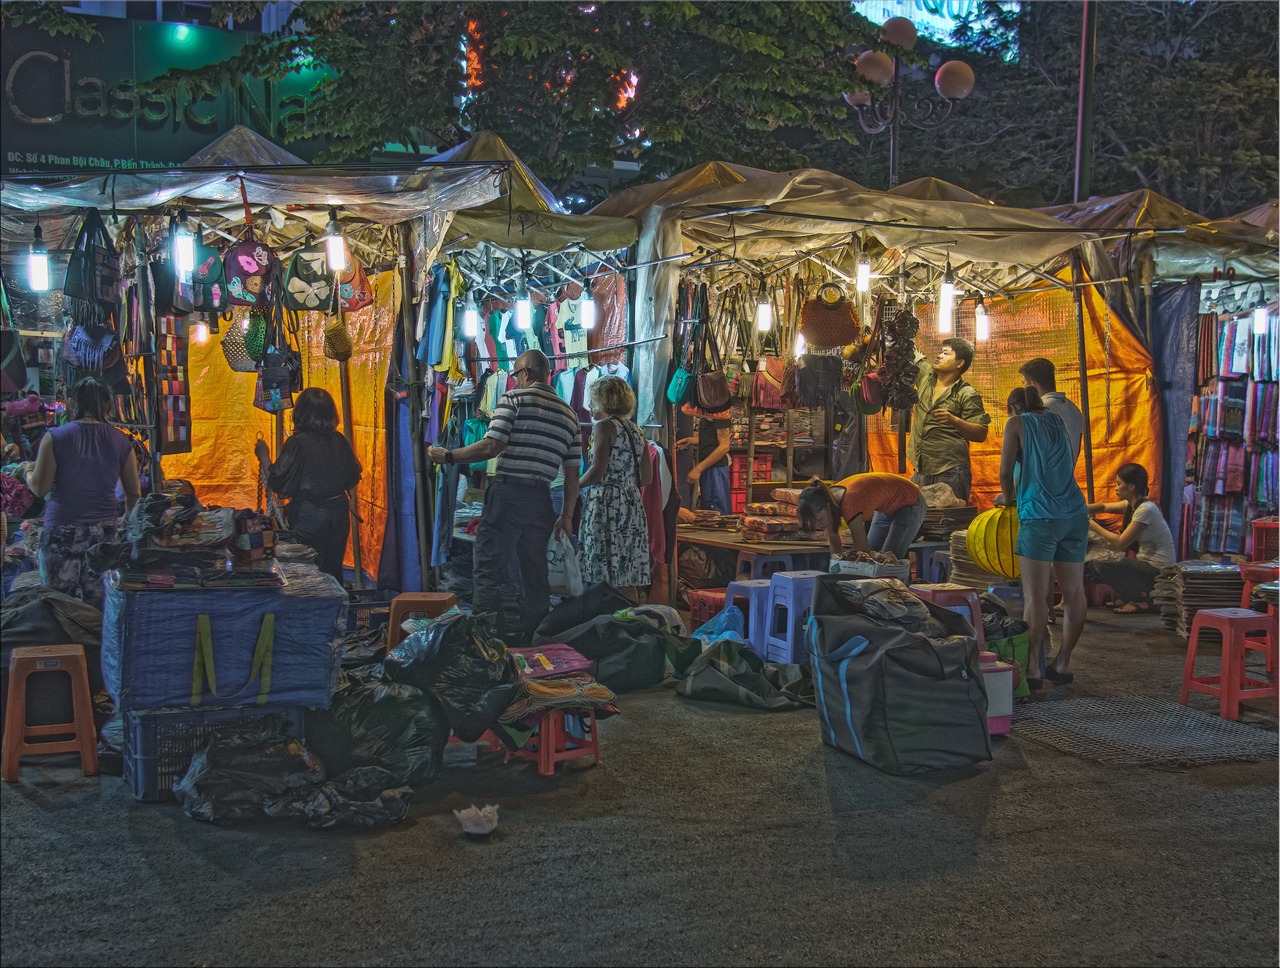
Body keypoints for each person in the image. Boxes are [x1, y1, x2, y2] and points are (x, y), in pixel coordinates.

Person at [428, 349, 581, 645]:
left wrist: (447, 456)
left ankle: (489, 642)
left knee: (489, 568)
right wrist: (566, 516)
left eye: (516, 374)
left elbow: (491, 446)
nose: (515, 379)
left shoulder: (514, 399)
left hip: (509, 494)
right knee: (535, 574)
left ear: (527, 373)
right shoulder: (569, 414)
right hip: (541, 499)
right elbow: (572, 473)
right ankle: (533, 641)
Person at [995, 387, 1088, 686]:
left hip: (1040, 516)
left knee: (1034, 595)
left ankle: (1034, 667)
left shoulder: (1015, 423)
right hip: (1075, 514)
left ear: (1012, 408)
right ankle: (1063, 662)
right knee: (1074, 593)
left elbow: (1005, 472)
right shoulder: (1057, 421)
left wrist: (1007, 497)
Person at [27, 377, 140, 608]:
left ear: (73, 403)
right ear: (108, 405)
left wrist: (27, 472)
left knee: (58, 608)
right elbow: (134, 493)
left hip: (61, 532)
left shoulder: (55, 437)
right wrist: (124, 523)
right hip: (103, 536)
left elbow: (39, 488)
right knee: (98, 610)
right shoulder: (122, 441)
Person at [256, 387, 362, 583]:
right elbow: (352, 476)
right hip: (339, 513)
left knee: (307, 571)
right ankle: (335, 602)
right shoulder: (339, 440)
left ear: (300, 413)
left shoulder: (297, 443)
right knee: (332, 571)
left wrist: (263, 455)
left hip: (310, 514)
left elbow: (276, 480)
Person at [578, 375, 653, 600]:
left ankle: (602, 616)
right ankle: (629, 616)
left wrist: (574, 485)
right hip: (631, 503)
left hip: (606, 501)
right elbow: (647, 477)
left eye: (592, 399)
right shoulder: (637, 430)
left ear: (604, 399)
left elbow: (597, 470)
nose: (589, 404)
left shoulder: (604, 426)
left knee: (600, 569)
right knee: (626, 572)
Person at [1086, 463, 1176, 613]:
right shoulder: (1132, 505)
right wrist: (1076, 509)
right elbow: (1103, 507)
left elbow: (1121, 543)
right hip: (1145, 565)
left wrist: (1093, 525)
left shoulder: (1146, 510)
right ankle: (1130, 596)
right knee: (1092, 564)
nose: (1116, 488)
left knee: (1102, 563)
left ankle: (1139, 600)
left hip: (1158, 571)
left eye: (1119, 484)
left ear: (1131, 486)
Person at [909, 337, 990, 504]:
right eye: (940, 352)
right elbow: (908, 352)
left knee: (950, 518)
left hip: (951, 470)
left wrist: (954, 421)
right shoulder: (925, 376)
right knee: (920, 517)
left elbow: (981, 433)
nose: (939, 356)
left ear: (960, 363)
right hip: (921, 468)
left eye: (946, 353)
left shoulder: (966, 394)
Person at [796, 473, 925, 560]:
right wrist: (836, 569)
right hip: (887, 506)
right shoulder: (826, 498)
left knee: (888, 560)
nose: (820, 525)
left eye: (820, 520)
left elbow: (863, 552)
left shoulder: (850, 504)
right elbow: (834, 541)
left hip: (910, 501)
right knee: (874, 554)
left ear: (829, 507)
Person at [1019, 357, 1084, 466]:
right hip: (1067, 475)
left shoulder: (1040, 411)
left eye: (1024, 383)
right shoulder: (1074, 409)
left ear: (1033, 385)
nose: (1023, 387)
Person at [675, 411, 732, 514]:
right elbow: (712, 438)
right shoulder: (709, 412)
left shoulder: (719, 412)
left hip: (716, 469)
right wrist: (691, 440)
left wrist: (698, 468)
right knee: (708, 510)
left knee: (718, 512)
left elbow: (724, 446)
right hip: (709, 468)